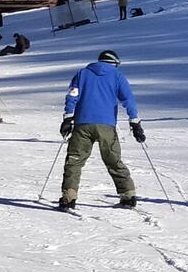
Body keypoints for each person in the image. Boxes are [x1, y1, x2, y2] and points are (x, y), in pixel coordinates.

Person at [57, 49, 143, 210]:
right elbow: (128, 99)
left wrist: (68, 118)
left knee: (74, 161)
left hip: (82, 124)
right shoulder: (117, 76)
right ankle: (128, 195)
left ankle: (69, 197)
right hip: (106, 125)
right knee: (113, 160)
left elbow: (72, 96)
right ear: (114, 63)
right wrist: (135, 122)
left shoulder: (82, 74)